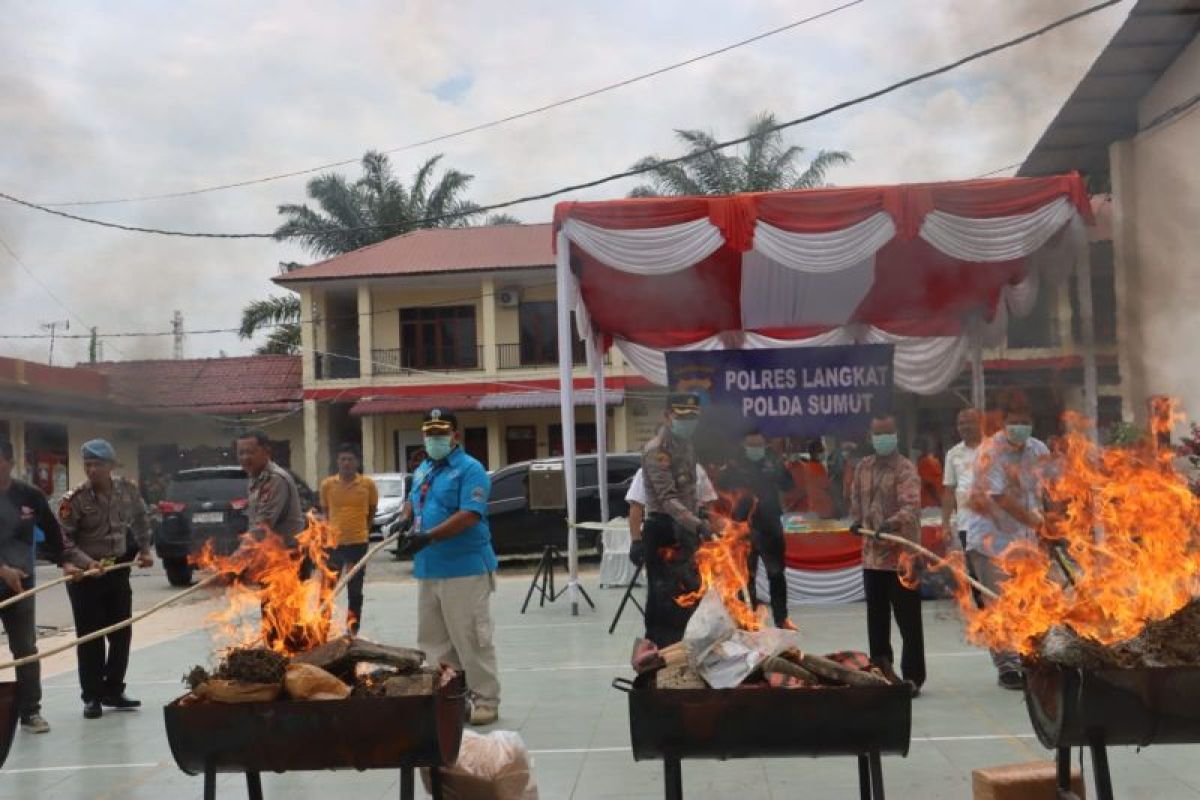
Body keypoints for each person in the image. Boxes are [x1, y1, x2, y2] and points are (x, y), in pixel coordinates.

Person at [400, 409, 500, 726]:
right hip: (429, 568)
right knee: (434, 643)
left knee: (470, 638)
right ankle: (452, 699)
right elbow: (413, 504)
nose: (434, 439)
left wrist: (429, 536)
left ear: (456, 436)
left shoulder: (471, 470)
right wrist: (401, 521)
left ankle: (485, 699)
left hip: (465, 568)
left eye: (441, 434)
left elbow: (470, 514)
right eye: (429, 434)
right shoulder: (423, 470)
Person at [59, 439, 153, 719]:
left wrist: (145, 550)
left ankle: (113, 689)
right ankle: (91, 697)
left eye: (97, 465)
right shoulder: (74, 500)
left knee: (121, 633)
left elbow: (141, 519)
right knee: (91, 638)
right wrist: (87, 564)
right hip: (86, 576)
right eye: (87, 464)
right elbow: (64, 539)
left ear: (111, 466)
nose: (91, 470)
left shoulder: (128, 490)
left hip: (117, 570)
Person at [969, 392, 1051, 690]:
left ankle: (1030, 658)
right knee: (999, 605)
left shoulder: (1038, 449)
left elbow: (1046, 490)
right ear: (1003, 422)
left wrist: (1052, 525)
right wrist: (1036, 521)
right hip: (993, 541)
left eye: (1025, 422)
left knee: (1030, 602)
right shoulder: (990, 451)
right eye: (1014, 422)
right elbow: (1000, 497)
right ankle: (1007, 667)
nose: (1020, 427)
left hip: (1027, 540)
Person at [847, 413, 924, 697]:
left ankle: (913, 677)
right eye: (878, 434)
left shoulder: (905, 469)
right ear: (871, 437)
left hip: (903, 557)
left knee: (908, 621)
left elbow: (911, 507)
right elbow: (856, 500)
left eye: (887, 433)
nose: (883, 439)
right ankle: (881, 671)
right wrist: (856, 521)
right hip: (872, 558)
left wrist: (890, 523)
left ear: (896, 435)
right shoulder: (863, 467)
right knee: (876, 619)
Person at [0, 439, 66, 733]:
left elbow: (54, 535)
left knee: (25, 647)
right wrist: (2, 569)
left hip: (21, 585)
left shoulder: (30, 495)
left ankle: (30, 712)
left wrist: (68, 562)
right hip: (5, 574)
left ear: (10, 463)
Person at [639, 393, 713, 647]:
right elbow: (668, 499)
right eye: (683, 418)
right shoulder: (656, 451)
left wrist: (701, 514)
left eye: (693, 418)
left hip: (685, 530)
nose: (689, 423)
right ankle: (659, 652)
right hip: (662, 530)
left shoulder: (687, 446)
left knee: (688, 593)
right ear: (668, 416)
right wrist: (698, 523)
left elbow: (690, 492)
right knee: (662, 597)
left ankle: (684, 649)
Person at [717, 430, 795, 628]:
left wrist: (779, 472)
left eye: (759, 445)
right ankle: (747, 618)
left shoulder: (773, 462)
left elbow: (789, 485)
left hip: (770, 525)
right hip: (743, 528)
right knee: (745, 576)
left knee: (776, 574)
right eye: (752, 446)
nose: (756, 450)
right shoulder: (735, 464)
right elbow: (721, 486)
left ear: (765, 445)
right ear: (744, 446)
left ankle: (781, 618)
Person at [319, 443, 378, 634]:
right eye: (343, 459)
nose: (346, 463)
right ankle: (321, 628)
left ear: (357, 462)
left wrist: (364, 531)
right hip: (333, 545)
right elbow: (325, 513)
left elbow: (372, 512)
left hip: (358, 544)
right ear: (337, 462)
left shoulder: (367, 484)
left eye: (350, 460)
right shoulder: (327, 485)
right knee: (327, 590)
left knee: (354, 590)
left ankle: (352, 630)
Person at [942, 409, 985, 607]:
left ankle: (1004, 612)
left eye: (969, 422)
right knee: (974, 572)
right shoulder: (953, 454)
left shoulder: (993, 448)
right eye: (961, 423)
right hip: (966, 524)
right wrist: (944, 525)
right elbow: (949, 491)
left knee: (996, 570)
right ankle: (985, 613)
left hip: (994, 523)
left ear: (980, 423)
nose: (965, 427)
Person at [238, 429, 306, 542]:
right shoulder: (255, 478)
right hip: (266, 552)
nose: (245, 458)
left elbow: (262, 527)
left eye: (250, 452)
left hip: (286, 554)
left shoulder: (275, 479)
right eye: (241, 453)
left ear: (267, 452)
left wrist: (238, 556)